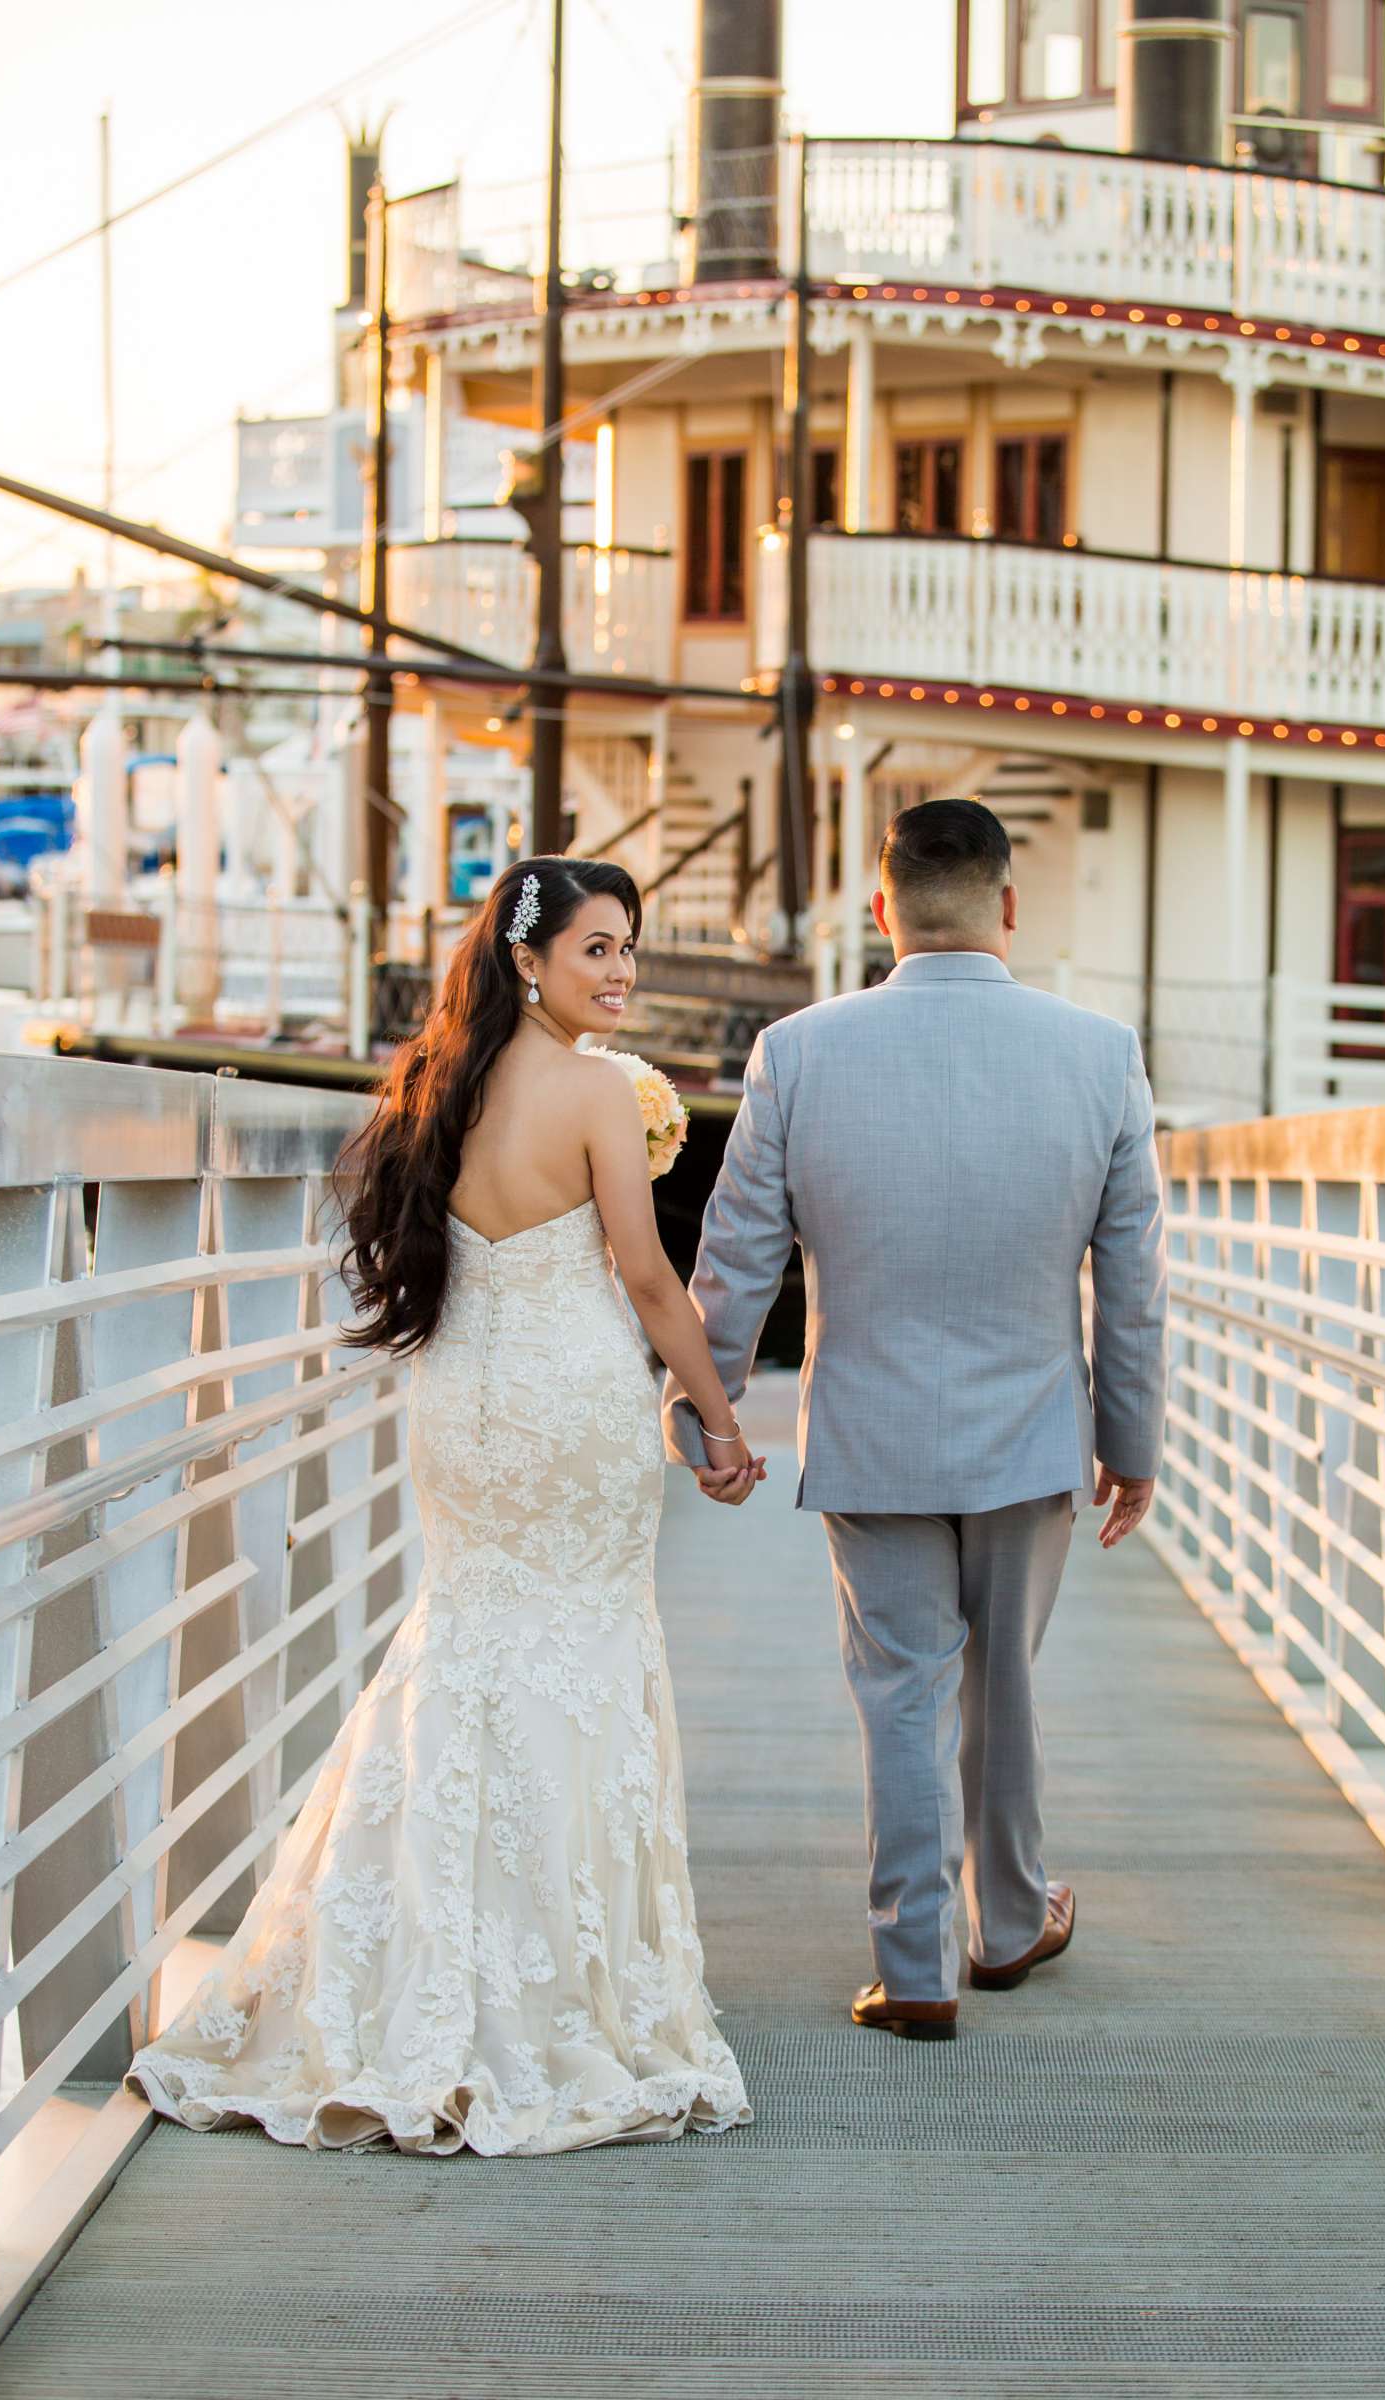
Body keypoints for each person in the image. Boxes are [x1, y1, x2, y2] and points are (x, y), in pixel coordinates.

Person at [127, 857, 757, 2152]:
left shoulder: (434, 1089)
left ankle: (410, 1971)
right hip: (573, 1401)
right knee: (581, 1654)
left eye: (629, 947)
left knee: (465, 1647)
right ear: (531, 960)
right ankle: (556, 1986)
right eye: (597, 950)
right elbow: (644, 1278)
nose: (622, 971)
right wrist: (722, 1415)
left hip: (466, 1400)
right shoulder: (592, 1091)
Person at [663, 798, 1168, 2041]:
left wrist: (707, 1412)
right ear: (1007, 906)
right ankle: (1007, 1927)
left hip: (871, 1431)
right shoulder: (1100, 1052)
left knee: (896, 1690)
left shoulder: (799, 1051)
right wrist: (1132, 1445)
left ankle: (915, 1966)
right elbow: (1135, 1279)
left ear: (879, 909)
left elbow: (735, 1259)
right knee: (1003, 1686)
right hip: (1033, 1432)